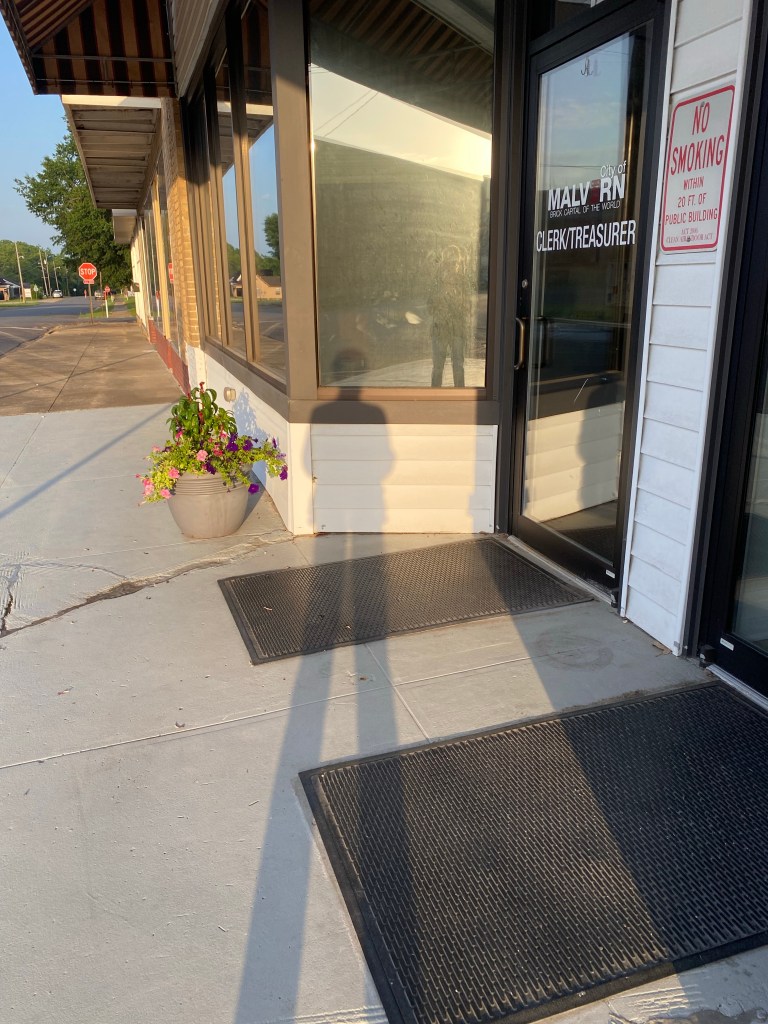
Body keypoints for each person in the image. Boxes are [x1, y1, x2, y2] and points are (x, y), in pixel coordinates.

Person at [427, 245, 472, 388]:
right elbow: (430, 307)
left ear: (459, 263)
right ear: (444, 263)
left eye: (455, 262)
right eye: (449, 262)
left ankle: (460, 396)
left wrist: (457, 300)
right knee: (437, 368)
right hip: (440, 329)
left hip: (457, 330)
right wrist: (442, 294)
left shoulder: (463, 281)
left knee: (458, 366)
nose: (452, 266)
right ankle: (434, 397)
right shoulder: (437, 282)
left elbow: (468, 307)